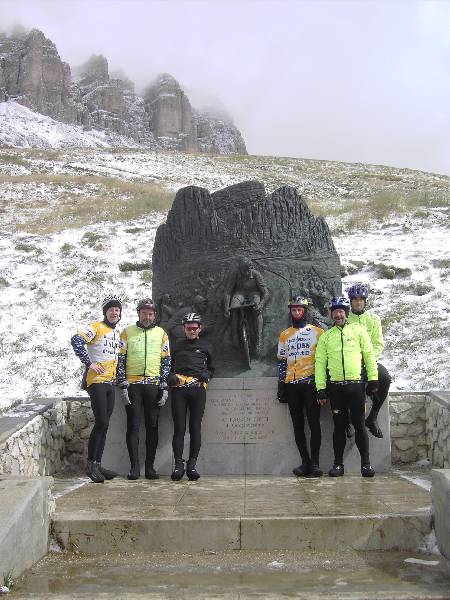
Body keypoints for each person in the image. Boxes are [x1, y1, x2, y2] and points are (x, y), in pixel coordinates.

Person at [315, 296, 378, 478]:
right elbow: (320, 364)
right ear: (332, 315)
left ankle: (366, 464)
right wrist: (321, 388)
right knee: (339, 426)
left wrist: (373, 379)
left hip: (356, 386)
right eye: (335, 312)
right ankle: (338, 465)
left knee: (359, 425)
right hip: (336, 388)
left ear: (346, 313)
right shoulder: (326, 337)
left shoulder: (358, 331)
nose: (338, 315)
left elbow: (368, 355)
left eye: (341, 311)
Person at [71, 295, 122, 483]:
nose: (114, 312)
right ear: (105, 312)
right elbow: (76, 340)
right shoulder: (96, 327)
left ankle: (98, 464)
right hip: (96, 381)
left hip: (110, 383)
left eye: (117, 310)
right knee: (101, 421)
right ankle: (91, 465)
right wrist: (89, 363)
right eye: (111, 310)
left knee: (105, 424)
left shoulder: (117, 333)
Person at [117, 298, 171, 480]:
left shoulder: (161, 333)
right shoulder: (126, 332)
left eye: (150, 314)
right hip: (133, 386)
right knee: (133, 425)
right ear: (138, 313)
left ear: (155, 315)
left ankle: (150, 467)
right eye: (144, 313)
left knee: (152, 427)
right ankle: (134, 467)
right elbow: (121, 359)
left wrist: (164, 385)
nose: (147, 317)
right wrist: (123, 382)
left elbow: (166, 361)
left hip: (154, 385)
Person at [277, 297, 326, 477]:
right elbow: (282, 363)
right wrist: (281, 385)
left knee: (314, 424)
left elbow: (323, 361)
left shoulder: (318, 332)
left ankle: (315, 463)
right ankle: (305, 462)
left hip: (311, 384)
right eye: (294, 310)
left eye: (300, 310)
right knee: (298, 426)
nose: (296, 313)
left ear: (305, 311)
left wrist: (323, 386)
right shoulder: (284, 334)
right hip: (292, 385)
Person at [168, 312, 214, 481]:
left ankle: (192, 466)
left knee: (195, 428)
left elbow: (212, 367)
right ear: (184, 328)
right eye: (189, 328)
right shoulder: (176, 345)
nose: (192, 331)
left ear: (199, 328)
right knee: (179, 428)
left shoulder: (207, 345)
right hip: (179, 390)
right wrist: (169, 377)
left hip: (197, 390)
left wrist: (207, 374)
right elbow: (168, 366)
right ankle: (178, 465)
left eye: (195, 328)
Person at [347, 283, 392, 438]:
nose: (358, 302)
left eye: (361, 299)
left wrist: (368, 361)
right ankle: (347, 421)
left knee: (385, 378)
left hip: (370, 361)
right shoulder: (345, 319)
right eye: (355, 299)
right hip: (350, 363)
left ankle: (372, 417)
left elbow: (378, 343)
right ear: (351, 301)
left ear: (365, 301)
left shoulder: (373, 319)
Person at [224, 256, 269, 355]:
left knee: (257, 308)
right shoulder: (235, 274)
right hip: (239, 293)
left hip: (254, 292)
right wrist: (227, 308)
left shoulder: (257, 275)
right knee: (234, 308)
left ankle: (258, 340)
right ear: (240, 269)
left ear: (251, 268)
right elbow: (228, 292)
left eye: (248, 270)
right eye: (244, 271)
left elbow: (266, 293)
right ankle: (235, 338)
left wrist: (261, 305)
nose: (247, 273)